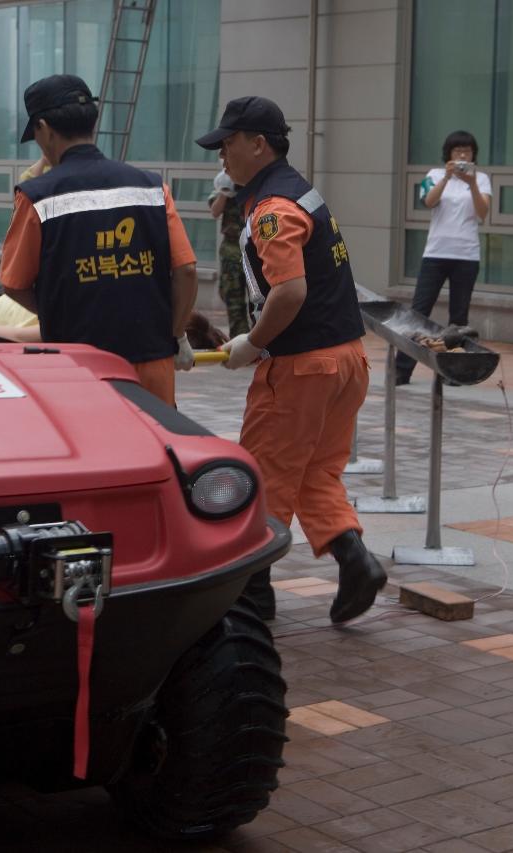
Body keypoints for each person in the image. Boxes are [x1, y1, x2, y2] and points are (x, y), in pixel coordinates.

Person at [197, 96, 385, 624]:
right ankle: (356, 563)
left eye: (227, 145)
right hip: (347, 359)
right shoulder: (298, 189)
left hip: (302, 368)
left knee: (265, 476)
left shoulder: (272, 209)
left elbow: (290, 292)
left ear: (257, 144)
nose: (221, 157)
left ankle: (251, 598)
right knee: (315, 474)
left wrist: (254, 343)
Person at [0, 74, 199, 406]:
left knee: (95, 451)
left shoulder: (37, 196)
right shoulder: (151, 187)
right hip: (152, 361)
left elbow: (14, 284)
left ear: (45, 129)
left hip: (78, 366)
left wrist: (60, 310)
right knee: (155, 449)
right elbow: (187, 270)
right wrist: (175, 335)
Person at [394, 130, 491, 385]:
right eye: (457, 150)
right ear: (448, 154)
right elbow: (428, 201)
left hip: (467, 255)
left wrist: (471, 184)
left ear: (473, 155)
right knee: (418, 312)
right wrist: (447, 178)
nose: (462, 155)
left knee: (459, 317)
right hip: (435, 253)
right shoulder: (434, 175)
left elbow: (483, 213)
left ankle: (455, 373)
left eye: (467, 151)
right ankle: (402, 371)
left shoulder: (481, 179)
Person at [209, 168, 250, 337]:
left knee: (259, 299)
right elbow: (215, 211)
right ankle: (240, 337)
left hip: (252, 246)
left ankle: (259, 342)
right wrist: (225, 192)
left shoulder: (253, 185)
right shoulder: (225, 182)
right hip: (231, 247)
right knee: (233, 298)